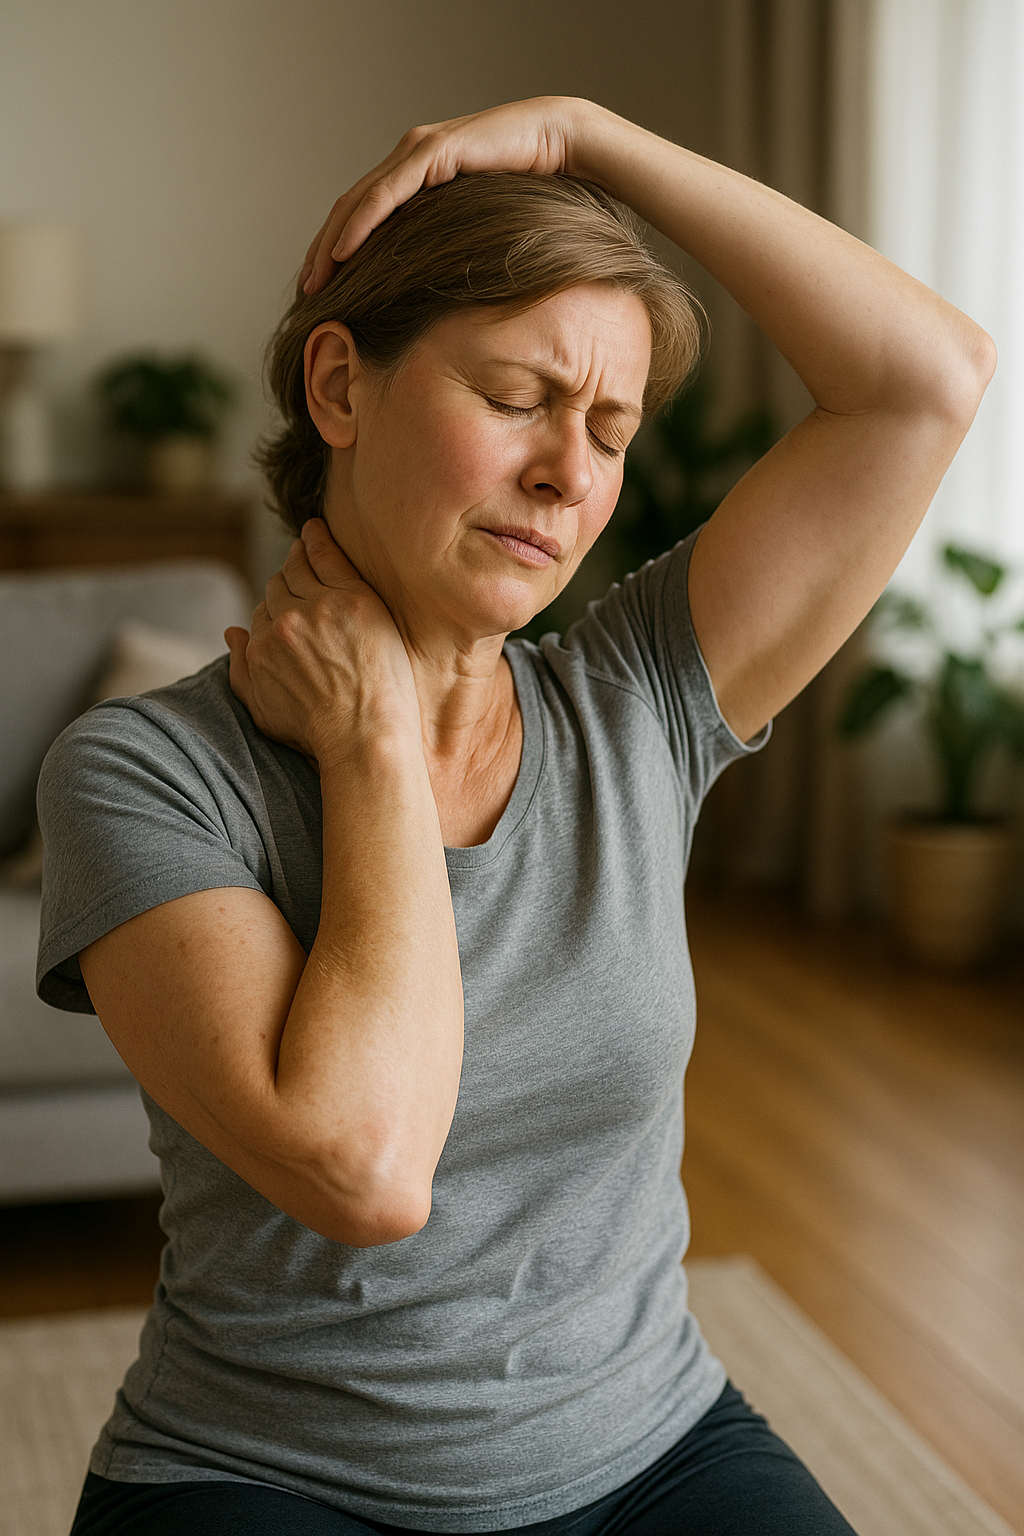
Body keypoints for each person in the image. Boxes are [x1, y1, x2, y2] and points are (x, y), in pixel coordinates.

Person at [38, 97, 993, 1536]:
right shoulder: (142, 774)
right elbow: (363, 1168)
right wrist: (372, 749)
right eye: (518, 398)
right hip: (272, 1479)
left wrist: (582, 135)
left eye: (610, 429)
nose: (570, 474)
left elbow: (929, 379)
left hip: (652, 1447)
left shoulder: (641, 697)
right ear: (341, 388)